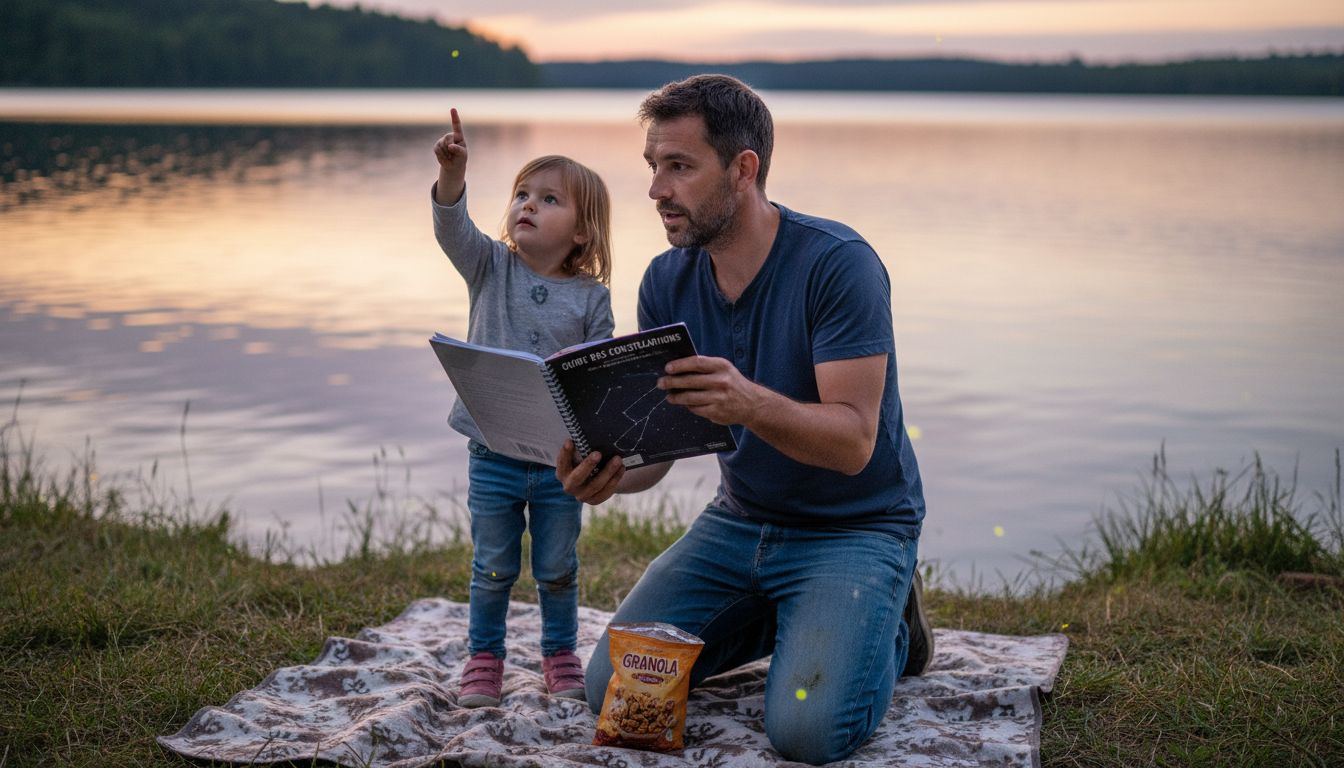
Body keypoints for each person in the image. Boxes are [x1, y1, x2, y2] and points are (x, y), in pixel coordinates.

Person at [556, 75, 932, 764]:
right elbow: (658, 451)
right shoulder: (667, 281)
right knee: (611, 688)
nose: (656, 190)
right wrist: (608, 475)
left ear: (743, 169)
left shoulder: (837, 265)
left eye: (679, 167)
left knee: (806, 732)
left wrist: (749, 402)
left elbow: (855, 441)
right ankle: (795, 614)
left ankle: (891, 624)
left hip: (856, 525)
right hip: (740, 522)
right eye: (652, 167)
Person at [432, 108, 615, 708]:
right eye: (521, 194)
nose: (527, 205)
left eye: (549, 199)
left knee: (558, 566)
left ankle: (559, 654)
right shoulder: (490, 267)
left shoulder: (592, 298)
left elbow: (598, 380)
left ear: (583, 232)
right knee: (492, 563)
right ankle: (485, 657)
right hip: (492, 453)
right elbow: (451, 230)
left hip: (562, 462)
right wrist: (454, 176)